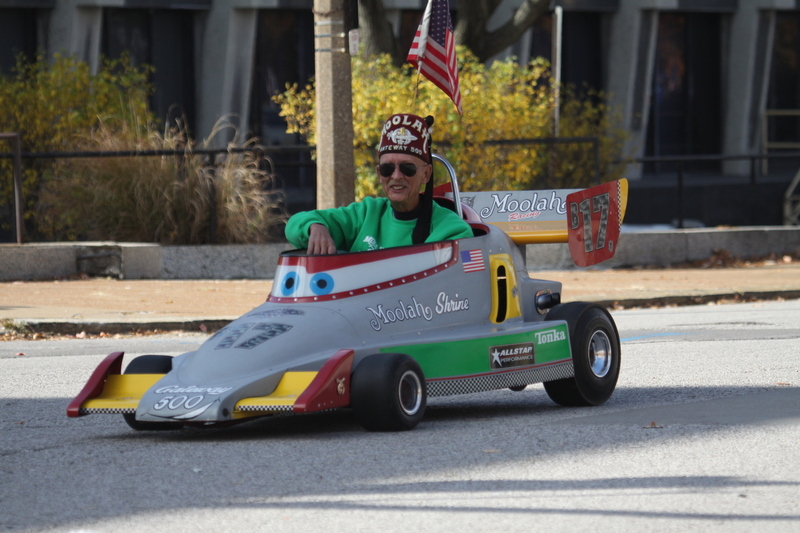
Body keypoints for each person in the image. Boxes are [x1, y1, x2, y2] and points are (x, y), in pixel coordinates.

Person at [285, 113, 474, 254]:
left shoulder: (451, 229)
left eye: (408, 169)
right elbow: (294, 225)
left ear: (426, 174)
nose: (397, 176)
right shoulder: (366, 214)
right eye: (387, 169)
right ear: (378, 173)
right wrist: (316, 227)